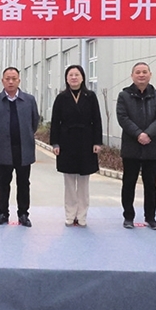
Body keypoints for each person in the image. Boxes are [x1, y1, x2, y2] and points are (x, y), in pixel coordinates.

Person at [0, 67, 40, 227]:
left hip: (24, 149)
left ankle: (23, 214)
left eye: (14, 79)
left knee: (24, 183)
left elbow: (34, 122)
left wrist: (25, 135)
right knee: (3, 183)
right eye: (7, 79)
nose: (10, 82)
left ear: (19, 80)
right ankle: (3, 213)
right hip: (3, 150)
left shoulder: (29, 100)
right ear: (2, 81)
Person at [49, 64, 102, 227]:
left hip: (86, 142)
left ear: (82, 77)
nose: (74, 77)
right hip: (67, 142)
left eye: (77, 74)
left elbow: (97, 120)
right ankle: (70, 215)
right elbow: (55, 122)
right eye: (70, 75)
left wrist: (97, 142)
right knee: (70, 183)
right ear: (66, 78)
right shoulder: (61, 97)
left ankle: (82, 215)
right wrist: (55, 143)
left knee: (84, 183)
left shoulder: (90, 96)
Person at [116, 62, 156, 230]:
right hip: (131, 146)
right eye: (138, 72)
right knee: (129, 183)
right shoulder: (124, 96)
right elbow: (122, 118)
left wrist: (148, 134)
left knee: (150, 184)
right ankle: (128, 217)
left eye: (144, 72)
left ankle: (151, 217)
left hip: (152, 146)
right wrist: (138, 134)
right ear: (132, 76)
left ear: (150, 75)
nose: (141, 75)